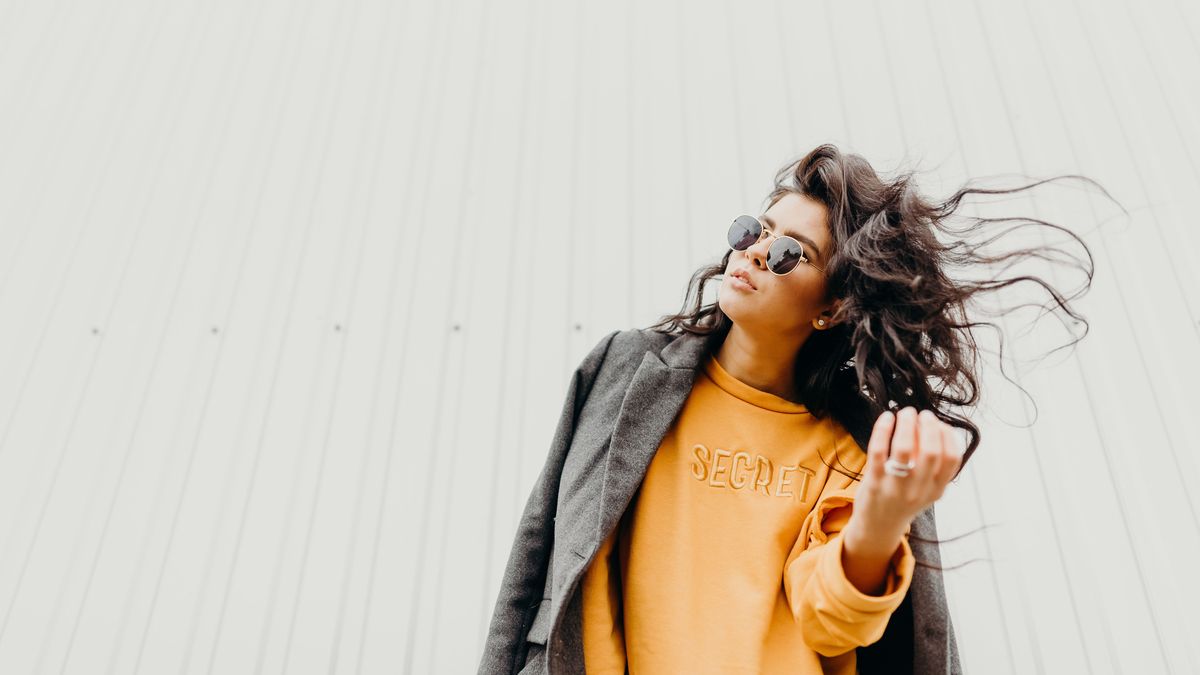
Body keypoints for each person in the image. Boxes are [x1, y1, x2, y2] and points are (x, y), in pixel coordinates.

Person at [477, 144, 1098, 674]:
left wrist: (880, 522)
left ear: (830, 309)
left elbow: (831, 623)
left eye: (788, 253)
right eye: (754, 231)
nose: (753, 252)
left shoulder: (853, 445)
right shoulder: (625, 370)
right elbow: (539, 552)